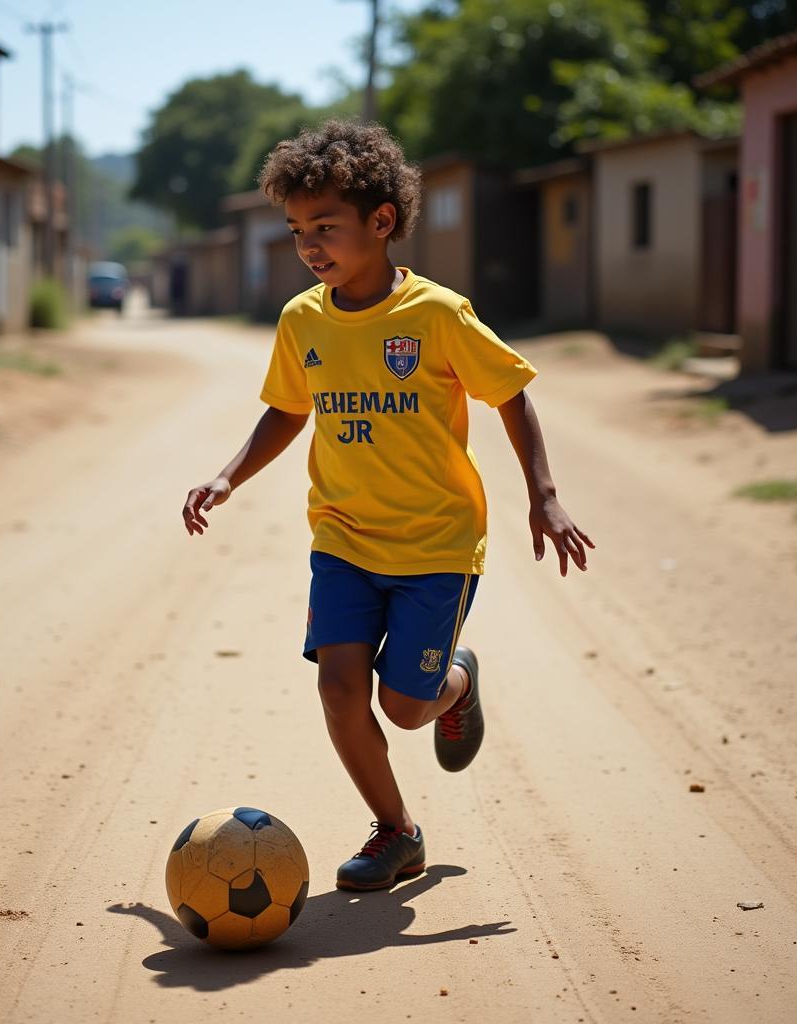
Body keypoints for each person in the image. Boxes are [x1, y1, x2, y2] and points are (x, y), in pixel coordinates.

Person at [182, 120, 593, 892]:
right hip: (341, 537)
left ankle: (456, 682)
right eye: (299, 229)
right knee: (338, 687)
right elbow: (286, 410)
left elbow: (511, 395)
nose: (310, 246)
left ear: (382, 221)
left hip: (436, 545)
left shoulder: (437, 314)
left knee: (406, 709)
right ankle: (397, 831)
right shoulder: (302, 320)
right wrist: (227, 476)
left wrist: (546, 497)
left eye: (326, 227)